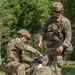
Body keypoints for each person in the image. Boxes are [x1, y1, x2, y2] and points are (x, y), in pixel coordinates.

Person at [38, 2, 71, 75]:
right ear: (52, 11)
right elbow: (43, 32)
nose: (57, 13)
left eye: (59, 11)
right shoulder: (49, 20)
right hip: (49, 48)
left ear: (61, 11)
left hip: (59, 49)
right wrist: (40, 40)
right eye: (55, 11)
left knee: (57, 71)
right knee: (42, 68)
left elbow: (68, 37)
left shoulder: (65, 21)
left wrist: (63, 46)